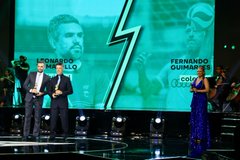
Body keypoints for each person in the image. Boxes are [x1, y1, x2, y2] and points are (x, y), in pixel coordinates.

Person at [136, 2, 214, 110]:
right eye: (188, 31)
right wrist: (141, 71)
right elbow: (147, 91)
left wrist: (210, 23)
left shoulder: (210, 64)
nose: (191, 34)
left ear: (204, 33)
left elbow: (205, 54)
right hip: (173, 122)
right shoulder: (172, 66)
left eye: (196, 30)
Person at [46, 14, 109, 110]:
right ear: (53, 42)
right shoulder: (39, 75)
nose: (77, 41)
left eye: (79, 35)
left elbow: (101, 115)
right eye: (69, 35)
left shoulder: (99, 75)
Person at [22, 61, 50, 141]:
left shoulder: (47, 77)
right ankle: (25, 134)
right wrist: (31, 90)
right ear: (37, 66)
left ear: (44, 67)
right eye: (39, 66)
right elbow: (24, 85)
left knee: (37, 117)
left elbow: (48, 90)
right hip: (29, 97)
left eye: (41, 66)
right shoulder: (31, 74)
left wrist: (42, 93)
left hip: (39, 99)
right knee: (27, 116)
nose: (40, 68)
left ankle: (36, 134)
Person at [189, 66, 210, 158]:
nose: (198, 72)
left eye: (200, 71)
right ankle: (195, 135)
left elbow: (207, 90)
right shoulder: (195, 79)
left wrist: (198, 90)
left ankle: (202, 136)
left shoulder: (205, 79)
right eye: (197, 71)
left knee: (201, 117)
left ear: (203, 72)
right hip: (195, 99)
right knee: (195, 117)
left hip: (201, 100)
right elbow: (191, 89)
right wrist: (192, 89)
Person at [48, 62, 73, 140]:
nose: (58, 70)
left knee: (64, 118)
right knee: (53, 119)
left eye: (60, 68)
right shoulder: (52, 79)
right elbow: (49, 90)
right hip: (54, 102)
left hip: (63, 102)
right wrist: (52, 94)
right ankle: (52, 134)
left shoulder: (66, 79)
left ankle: (65, 134)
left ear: (63, 69)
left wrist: (62, 92)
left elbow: (70, 91)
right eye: (57, 68)